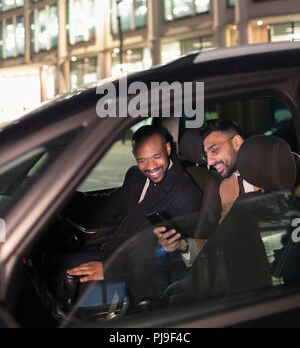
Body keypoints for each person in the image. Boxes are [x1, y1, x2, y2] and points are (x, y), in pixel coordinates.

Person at [65, 124, 203, 303]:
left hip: (135, 276)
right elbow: (107, 206)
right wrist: (62, 199)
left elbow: (172, 253)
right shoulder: (135, 177)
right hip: (112, 253)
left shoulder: (186, 193)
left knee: (61, 280)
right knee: (51, 268)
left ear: (168, 149)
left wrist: (111, 269)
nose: (150, 166)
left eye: (156, 156)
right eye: (142, 160)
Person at [154, 119, 260, 267]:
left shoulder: (275, 168)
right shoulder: (226, 187)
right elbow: (222, 241)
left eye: (214, 150)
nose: (209, 161)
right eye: (206, 155)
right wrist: (182, 245)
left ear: (237, 143)